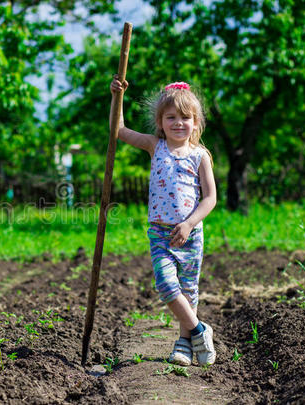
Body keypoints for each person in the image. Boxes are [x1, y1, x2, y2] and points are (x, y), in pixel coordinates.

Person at [110, 77, 217, 366]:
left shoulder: (200, 156)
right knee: (168, 288)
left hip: (190, 233)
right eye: (171, 117)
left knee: (188, 290)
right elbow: (118, 130)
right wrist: (117, 97)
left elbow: (210, 199)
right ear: (160, 122)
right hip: (160, 232)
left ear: (196, 123)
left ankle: (184, 344)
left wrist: (189, 224)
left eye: (185, 117)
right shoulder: (154, 146)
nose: (178, 123)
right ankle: (199, 330)